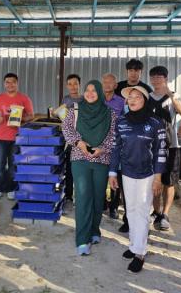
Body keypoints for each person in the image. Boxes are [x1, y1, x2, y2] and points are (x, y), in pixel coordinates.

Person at [109, 86, 166, 273]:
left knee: (142, 211)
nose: (132, 100)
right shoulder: (121, 121)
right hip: (127, 172)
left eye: (137, 97)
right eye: (130, 97)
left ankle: (140, 253)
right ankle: (134, 245)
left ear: (145, 100)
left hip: (147, 174)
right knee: (131, 210)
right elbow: (116, 148)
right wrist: (112, 173)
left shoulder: (156, 122)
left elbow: (161, 151)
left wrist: (158, 177)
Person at [62, 80, 116, 256]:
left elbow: (113, 135)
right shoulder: (75, 110)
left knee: (98, 198)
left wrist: (102, 149)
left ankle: (94, 230)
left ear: (100, 93)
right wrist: (79, 143)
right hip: (80, 157)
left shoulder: (110, 113)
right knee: (84, 197)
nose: (90, 93)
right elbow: (66, 128)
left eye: (94, 90)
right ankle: (82, 239)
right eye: (87, 90)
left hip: (101, 159)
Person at [148, 66, 181, 231]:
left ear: (165, 78)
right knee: (154, 182)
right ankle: (155, 212)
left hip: (172, 145)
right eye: (153, 77)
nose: (156, 80)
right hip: (152, 145)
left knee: (169, 182)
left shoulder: (173, 95)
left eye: (159, 77)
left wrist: (170, 94)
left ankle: (165, 214)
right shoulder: (147, 97)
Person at [0, 73, 34, 200]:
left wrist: (21, 118)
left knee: (13, 166)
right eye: (7, 82)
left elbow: (31, 115)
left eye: (13, 82)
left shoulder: (24, 98)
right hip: (1, 138)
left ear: (17, 83)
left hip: (17, 138)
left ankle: (11, 188)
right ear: (4, 84)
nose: (10, 84)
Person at [102, 73, 125, 221]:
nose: (107, 85)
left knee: (114, 175)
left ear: (115, 85)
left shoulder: (122, 102)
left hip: (117, 143)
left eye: (110, 82)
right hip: (100, 144)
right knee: (101, 175)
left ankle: (114, 207)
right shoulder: (96, 101)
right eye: (105, 82)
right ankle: (102, 203)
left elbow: (126, 121)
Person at [61, 74, 82, 207]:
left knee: (81, 170)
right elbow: (63, 117)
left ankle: (81, 196)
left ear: (79, 84)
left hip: (83, 140)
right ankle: (68, 196)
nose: (73, 86)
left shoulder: (85, 99)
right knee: (69, 169)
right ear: (67, 86)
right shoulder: (66, 99)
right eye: (70, 84)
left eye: (75, 83)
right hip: (69, 140)